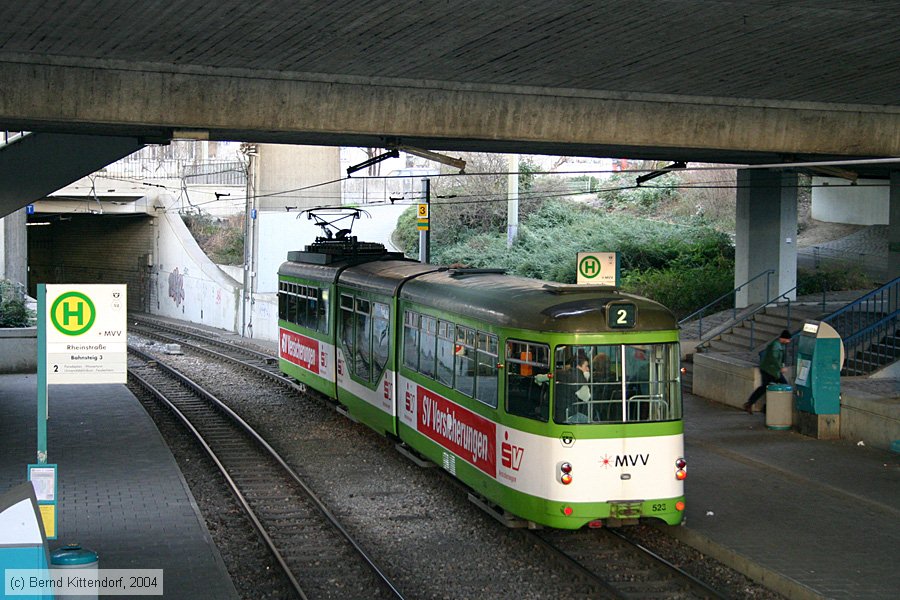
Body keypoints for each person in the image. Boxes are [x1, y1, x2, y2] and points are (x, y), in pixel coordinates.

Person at [743, 329, 791, 414]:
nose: (789, 341)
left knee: (764, 387)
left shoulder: (779, 345)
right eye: (788, 339)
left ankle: (752, 404)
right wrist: (780, 368)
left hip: (768, 369)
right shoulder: (776, 345)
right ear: (784, 338)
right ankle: (765, 407)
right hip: (770, 370)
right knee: (783, 385)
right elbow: (774, 358)